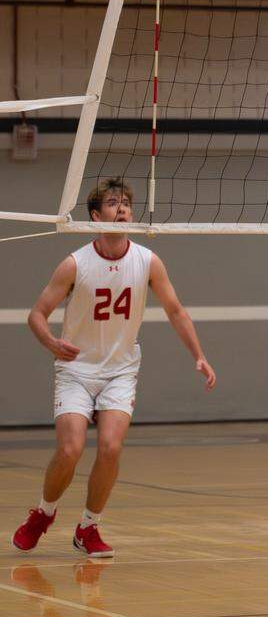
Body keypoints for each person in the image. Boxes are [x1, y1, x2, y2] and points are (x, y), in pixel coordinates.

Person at [12, 178, 216, 557]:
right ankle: (44, 512)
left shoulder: (147, 260)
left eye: (125, 203)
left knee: (110, 447)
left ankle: (88, 528)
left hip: (120, 370)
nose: (121, 209)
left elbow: (176, 310)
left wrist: (198, 355)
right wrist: (53, 343)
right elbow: (37, 315)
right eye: (112, 203)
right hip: (76, 369)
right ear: (95, 215)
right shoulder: (75, 263)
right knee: (71, 449)